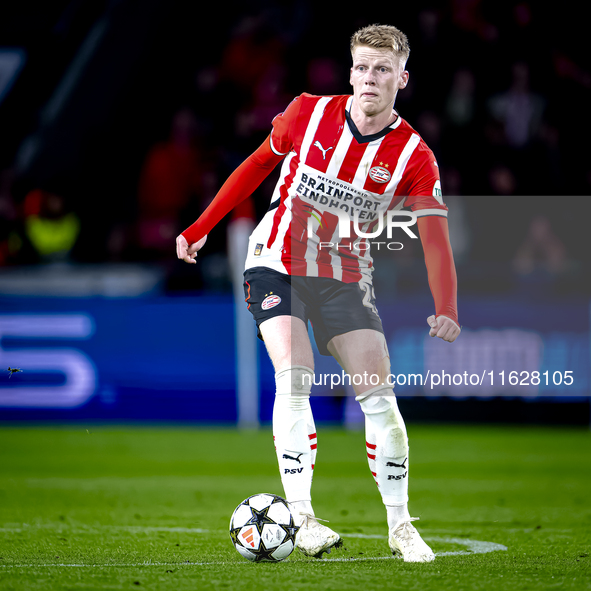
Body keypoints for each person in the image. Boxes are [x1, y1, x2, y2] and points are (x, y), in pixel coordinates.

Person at [177, 24, 460, 562]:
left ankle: (401, 526)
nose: (369, 78)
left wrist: (446, 307)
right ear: (350, 71)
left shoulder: (414, 157)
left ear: (402, 78)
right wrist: (201, 225)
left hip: (345, 277)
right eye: (361, 67)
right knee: (295, 376)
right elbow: (258, 163)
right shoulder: (308, 112)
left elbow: (435, 241)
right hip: (275, 261)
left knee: (380, 401)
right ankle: (301, 517)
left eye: (381, 69)